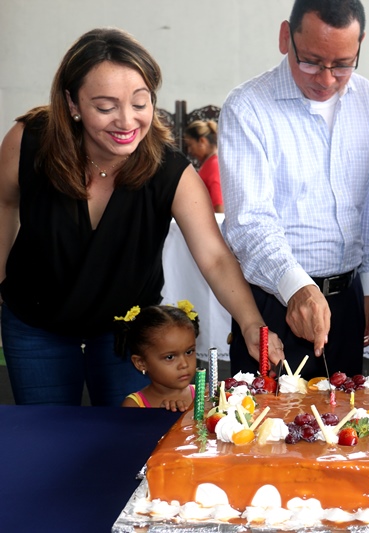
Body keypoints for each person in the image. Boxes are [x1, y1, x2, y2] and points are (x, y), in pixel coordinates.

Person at [0, 28, 282, 407]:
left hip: (127, 333)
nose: (126, 121)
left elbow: (215, 257)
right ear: (71, 103)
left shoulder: (170, 171)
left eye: (140, 102)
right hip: (35, 324)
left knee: (129, 435)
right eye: (105, 107)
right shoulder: (29, 141)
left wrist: (251, 324)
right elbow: (4, 204)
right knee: (44, 431)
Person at [219, 0, 369, 380]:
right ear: (285, 38)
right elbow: (250, 222)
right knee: (268, 416)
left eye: (342, 65)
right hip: (276, 302)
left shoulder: (366, 98)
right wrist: (297, 287)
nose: (326, 79)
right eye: (310, 61)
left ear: (359, 46)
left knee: (348, 413)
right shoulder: (248, 107)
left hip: (348, 300)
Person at [119, 302, 199, 411]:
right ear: (141, 363)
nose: (184, 364)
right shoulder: (134, 405)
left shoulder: (204, 396)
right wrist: (160, 416)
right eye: (170, 357)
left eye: (189, 352)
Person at [184, 120, 223, 213]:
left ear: (202, 141)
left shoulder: (214, 165)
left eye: (190, 145)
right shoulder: (211, 163)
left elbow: (219, 204)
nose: (189, 150)